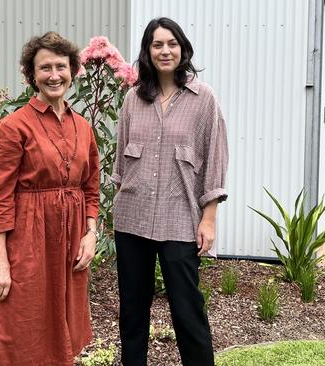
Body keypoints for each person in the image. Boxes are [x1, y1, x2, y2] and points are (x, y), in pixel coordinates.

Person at [111, 17, 229, 366]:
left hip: (179, 221)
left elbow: (214, 160)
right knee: (132, 311)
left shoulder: (203, 98)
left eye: (171, 43)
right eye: (157, 44)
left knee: (187, 309)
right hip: (131, 221)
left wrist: (209, 219)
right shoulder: (133, 99)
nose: (165, 51)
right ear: (148, 51)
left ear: (182, 48)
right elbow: (120, 164)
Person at [0, 31, 100, 366]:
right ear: (31, 75)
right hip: (28, 242)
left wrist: (91, 234)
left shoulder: (84, 128)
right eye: (45, 67)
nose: (54, 75)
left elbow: (91, 187)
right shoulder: (13, 127)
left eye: (61, 66)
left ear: (73, 70)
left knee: (62, 325)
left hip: (70, 242)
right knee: (20, 325)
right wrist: (0, 261)